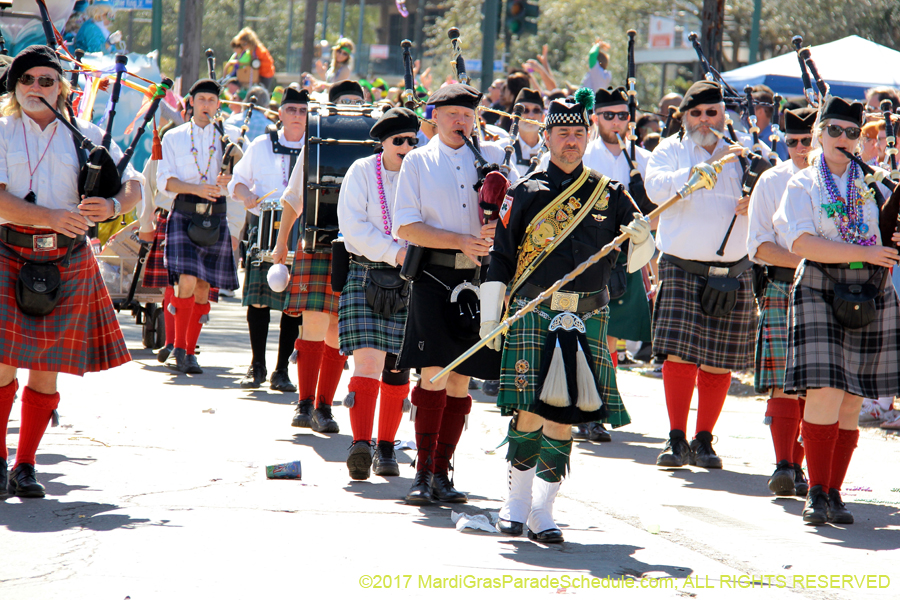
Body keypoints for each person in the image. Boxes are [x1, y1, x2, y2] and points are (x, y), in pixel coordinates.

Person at [483, 90, 654, 542]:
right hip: (532, 312)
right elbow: (500, 259)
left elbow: (637, 260)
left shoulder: (610, 193)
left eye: (579, 133)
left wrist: (641, 238)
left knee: (564, 416)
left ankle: (543, 510)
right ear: (548, 136)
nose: (572, 142)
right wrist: (489, 318)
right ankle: (514, 502)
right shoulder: (525, 192)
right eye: (563, 133)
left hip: (584, 318)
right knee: (526, 411)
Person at [0, 46, 141, 496]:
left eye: (46, 80)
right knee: (1, 366)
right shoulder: (1, 131)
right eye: (27, 80)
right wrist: (50, 218)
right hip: (8, 250)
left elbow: (133, 181)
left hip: (66, 259)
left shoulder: (86, 133)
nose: (36, 88)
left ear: (62, 88)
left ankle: (25, 466)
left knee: (46, 368)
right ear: (14, 87)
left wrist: (114, 204)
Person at [392, 83, 519, 505]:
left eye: (467, 114)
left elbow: (517, 214)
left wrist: (497, 228)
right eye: (451, 113)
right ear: (435, 116)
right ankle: (422, 472)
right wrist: (460, 240)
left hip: (480, 279)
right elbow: (407, 227)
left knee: (461, 380)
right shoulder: (417, 162)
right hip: (435, 276)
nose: (460, 121)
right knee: (434, 374)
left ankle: (443, 472)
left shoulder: (494, 160)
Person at [776, 97, 897, 525]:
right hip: (820, 285)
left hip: (870, 287)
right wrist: (863, 252)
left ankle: (834, 491)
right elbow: (802, 244)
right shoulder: (802, 184)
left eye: (851, 133)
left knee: (851, 398)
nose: (843, 140)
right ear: (819, 134)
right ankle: (815, 493)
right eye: (835, 131)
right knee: (826, 391)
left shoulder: (875, 185)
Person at [645, 81, 755, 469]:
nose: (705, 120)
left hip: (733, 270)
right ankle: (676, 438)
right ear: (684, 116)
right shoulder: (669, 151)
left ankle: (704, 440)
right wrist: (694, 174)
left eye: (712, 113)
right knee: (679, 356)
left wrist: (753, 202)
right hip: (681, 266)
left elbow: (775, 197)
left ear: (723, 115)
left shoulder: (745, 154)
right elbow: (654, 188)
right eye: (696, 113)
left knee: (719, 360)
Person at [272, 84, 366, 433]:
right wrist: (282, 243)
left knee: (336, 330)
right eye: (346, 103)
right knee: (313, 322)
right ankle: (304, 403)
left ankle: (324, 407)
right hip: (317, 242)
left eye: (358, 103)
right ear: (334, 107)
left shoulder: (374, 145)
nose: (353, 108)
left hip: (356, 248)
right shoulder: (318, 140)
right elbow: (294, 198)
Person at [337, 108, 420, 480]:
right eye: (398, 141)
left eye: (412, 141)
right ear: (383, 143)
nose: (406, 147)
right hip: (368, 272)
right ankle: (362, 444)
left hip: (412, 279)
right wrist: (396, 252)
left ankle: (387, 448)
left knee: (398, 368)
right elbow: (352, 228)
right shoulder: (360, 171)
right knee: (368, 363)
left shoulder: (422, 173)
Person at [747, 107, 816, 498]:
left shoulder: (835, 182)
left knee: (816, 383)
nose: (800, 148)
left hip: (831, 287)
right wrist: (812, 257)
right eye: (792, 141)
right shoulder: (771, 181)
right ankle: (784, 464)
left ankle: (802, 467)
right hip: (784, 285)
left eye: (807, 141)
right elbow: (758, 245)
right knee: (783, 382)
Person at [581, 86, 657, 442]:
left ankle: (599, 404)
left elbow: (656, 211)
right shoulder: (583, 153)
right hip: (585, 254)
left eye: (623, 116)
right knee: (587, 331)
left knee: (610, 335)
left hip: (626, 255)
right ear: (595, 117)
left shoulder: (643, 159)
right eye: (608, 115)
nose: (616, 122)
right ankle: (588, 405)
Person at [156, 78, 243, 375]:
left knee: (204, 288)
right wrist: (198, 189)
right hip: (184, 213)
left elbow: (240, 180)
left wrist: (228, 178)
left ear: (218, 104)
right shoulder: (174, 137)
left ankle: (189, 350)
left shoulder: (228, 138)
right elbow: (165, 181)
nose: (206, 104)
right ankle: (180, 349)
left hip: (216, 216)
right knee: (188, 281)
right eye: (201, 99)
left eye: (211, 100)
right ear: (191, 102)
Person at [229, 86, 309, 391]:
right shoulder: (261, 144)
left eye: (302, 111)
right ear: (280, 113)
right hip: (264, 229)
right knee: (259, 303)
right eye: (292, 110)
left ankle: (281, 371)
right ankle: (257, 365)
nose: (297, 116)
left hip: (300, 231)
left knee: (294, 306)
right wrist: (247, 195)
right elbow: (237, 181)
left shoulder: (315, 146)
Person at [510, 88, 546, 173]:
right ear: (514, 117)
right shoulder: (502, 149)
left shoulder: (552, 151)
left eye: (536, 110)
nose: (531, 116)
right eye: (525, 110)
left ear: (543, 117)